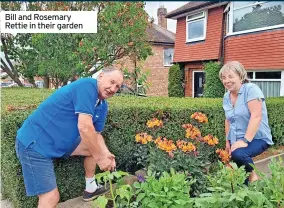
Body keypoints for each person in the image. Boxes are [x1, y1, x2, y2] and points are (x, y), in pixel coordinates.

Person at [15, 68, 124, 207]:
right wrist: (101, 158)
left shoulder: (102, 105)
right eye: (112, 82)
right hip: (34, 144)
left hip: (56, 141)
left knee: (94, 149)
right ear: (101, 76)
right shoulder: (87, 86)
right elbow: (85, 127)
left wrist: (106, 153)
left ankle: (91, 188)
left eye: (117, 87)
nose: (113, 88)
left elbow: (96, 134)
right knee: (51, 197)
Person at [219, 61, 273, 184]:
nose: (227, 81)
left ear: (241, 76)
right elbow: (228, 120)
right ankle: (246, 191)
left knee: (239, 154)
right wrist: (228, 141)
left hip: (258, 138)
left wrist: (245, 140)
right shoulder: (226, 97)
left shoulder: (251, 90)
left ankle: (254, 176)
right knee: (239, 174)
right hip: (236, 139)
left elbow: (256, 116)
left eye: (231, 76)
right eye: (224, 78)